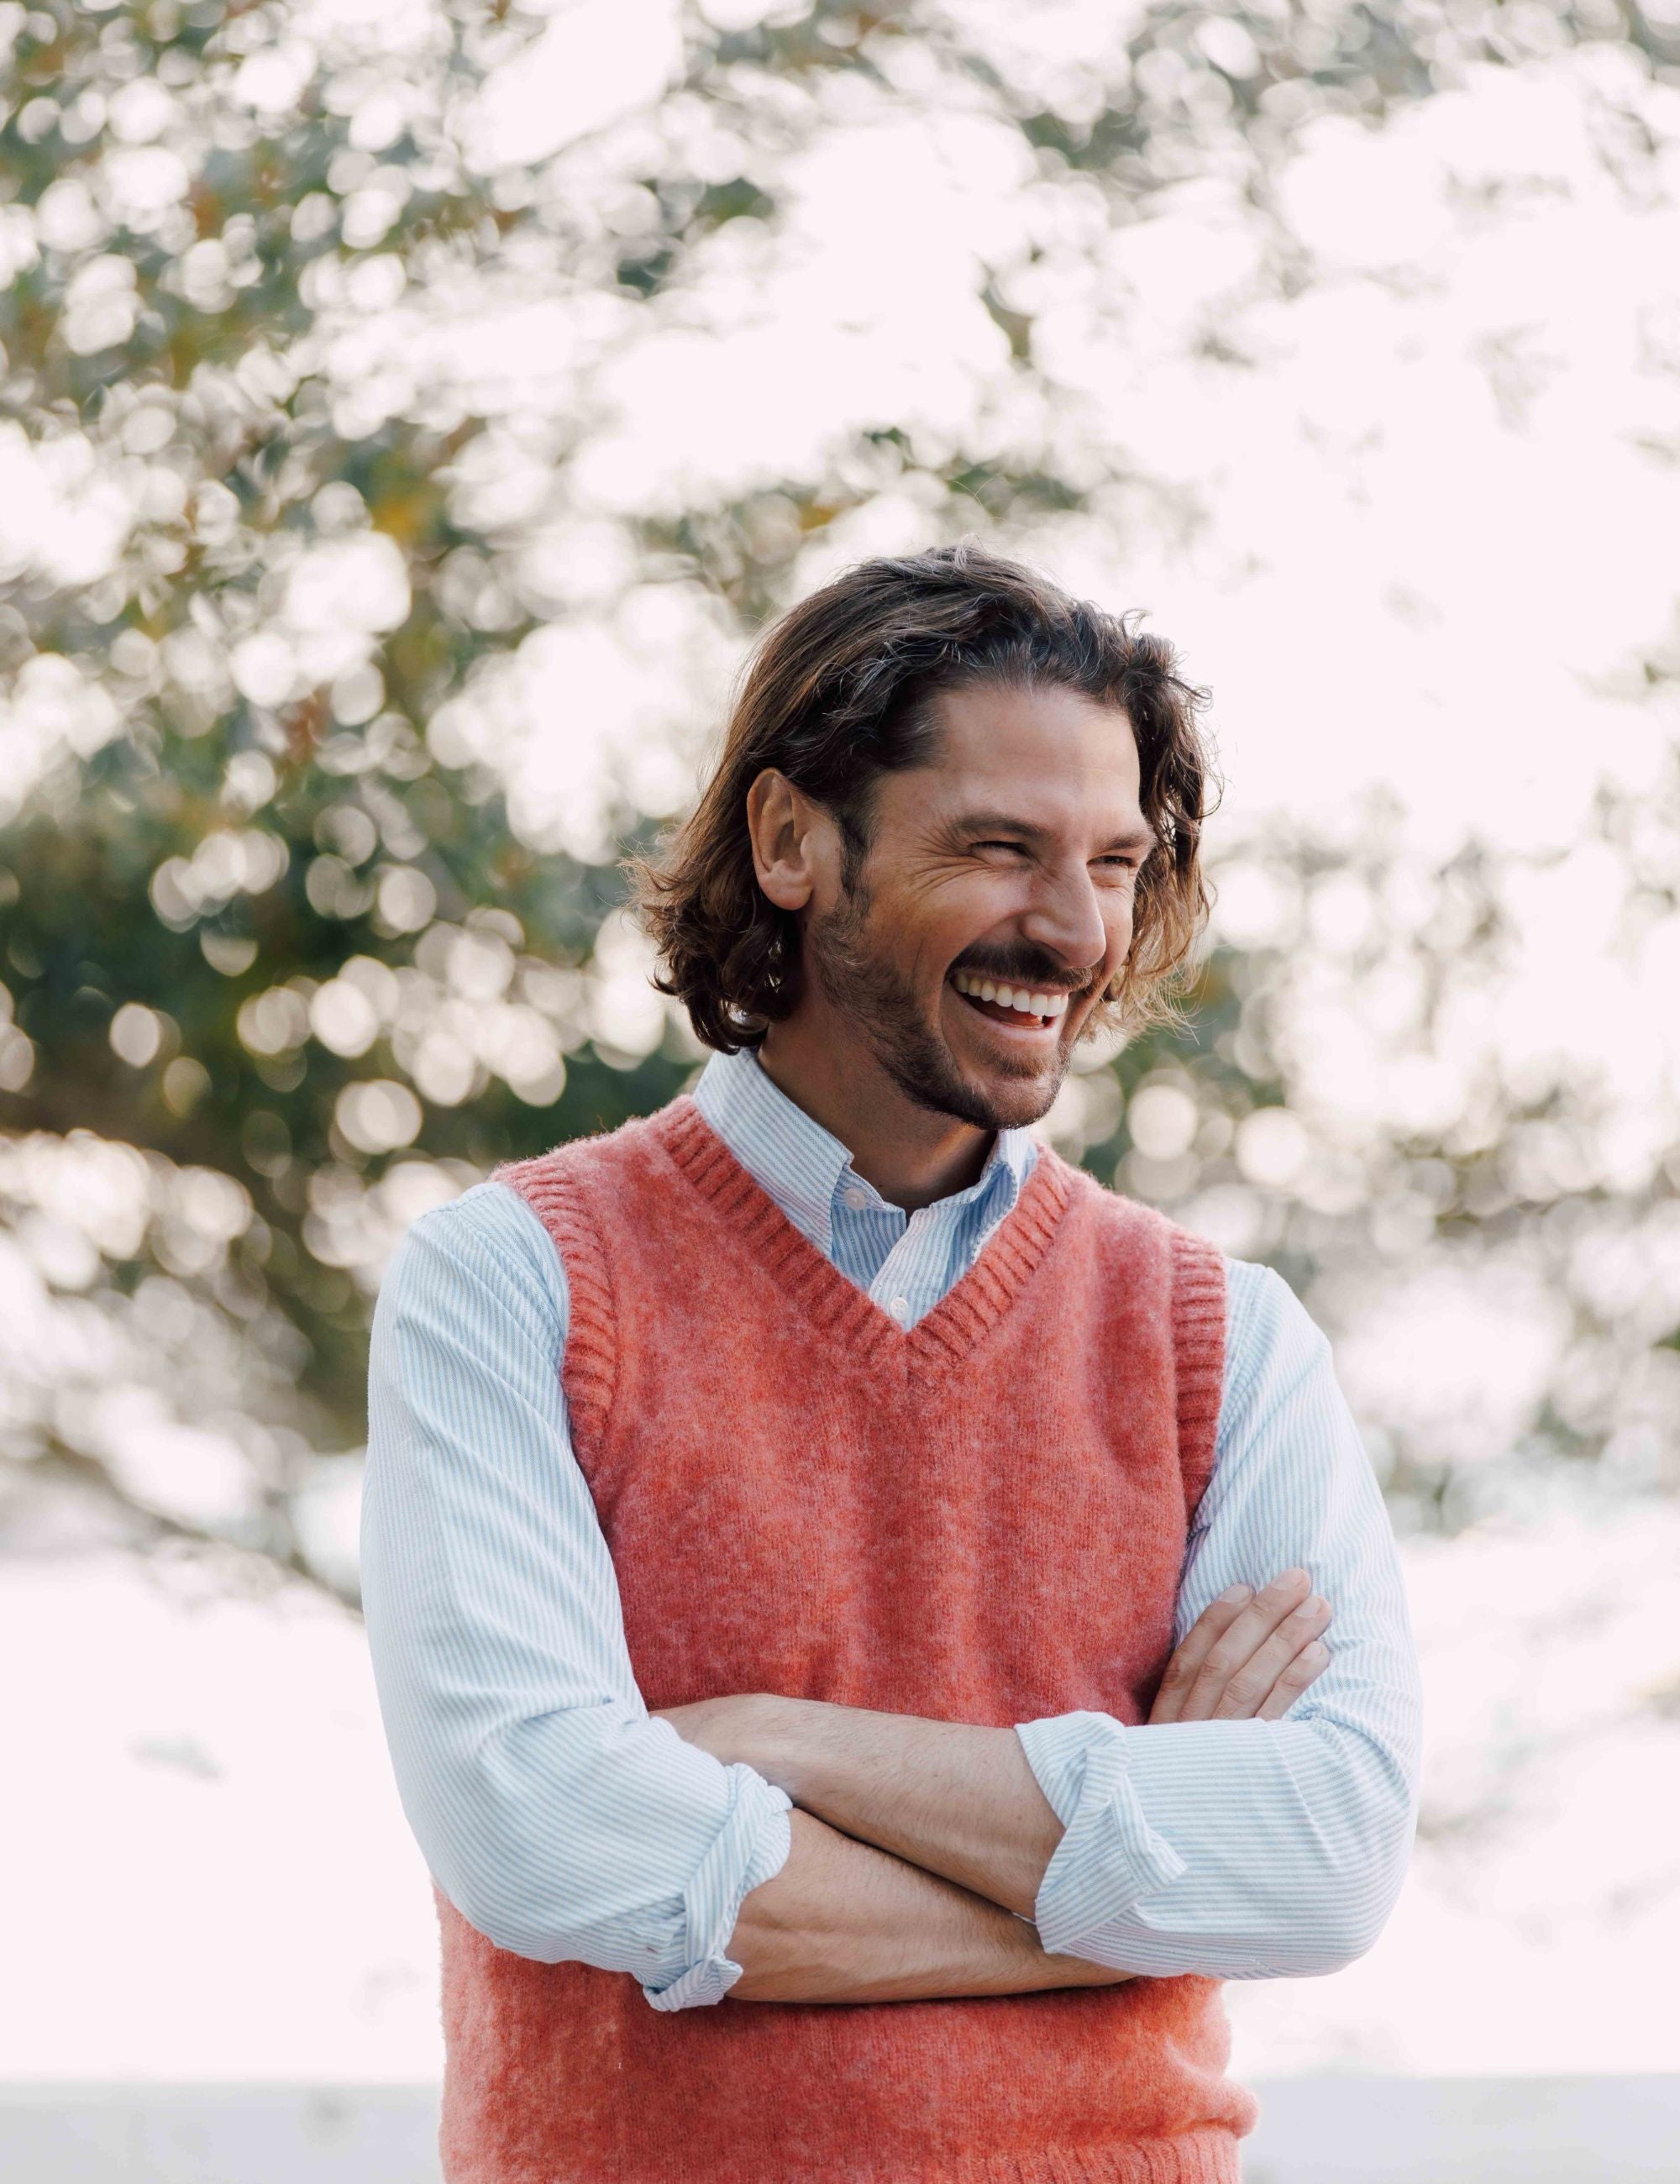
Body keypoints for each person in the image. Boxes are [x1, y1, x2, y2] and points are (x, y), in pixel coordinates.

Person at [361, 541, 1422, 2184]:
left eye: (1115, 861)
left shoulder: (1225, 1336)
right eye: (998, 848)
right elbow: (535, 1825)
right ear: (793, 840)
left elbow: (1329, 1861)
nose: (1071, 929)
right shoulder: (516, 1283)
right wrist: (1125, 1880)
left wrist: (774, 1744)